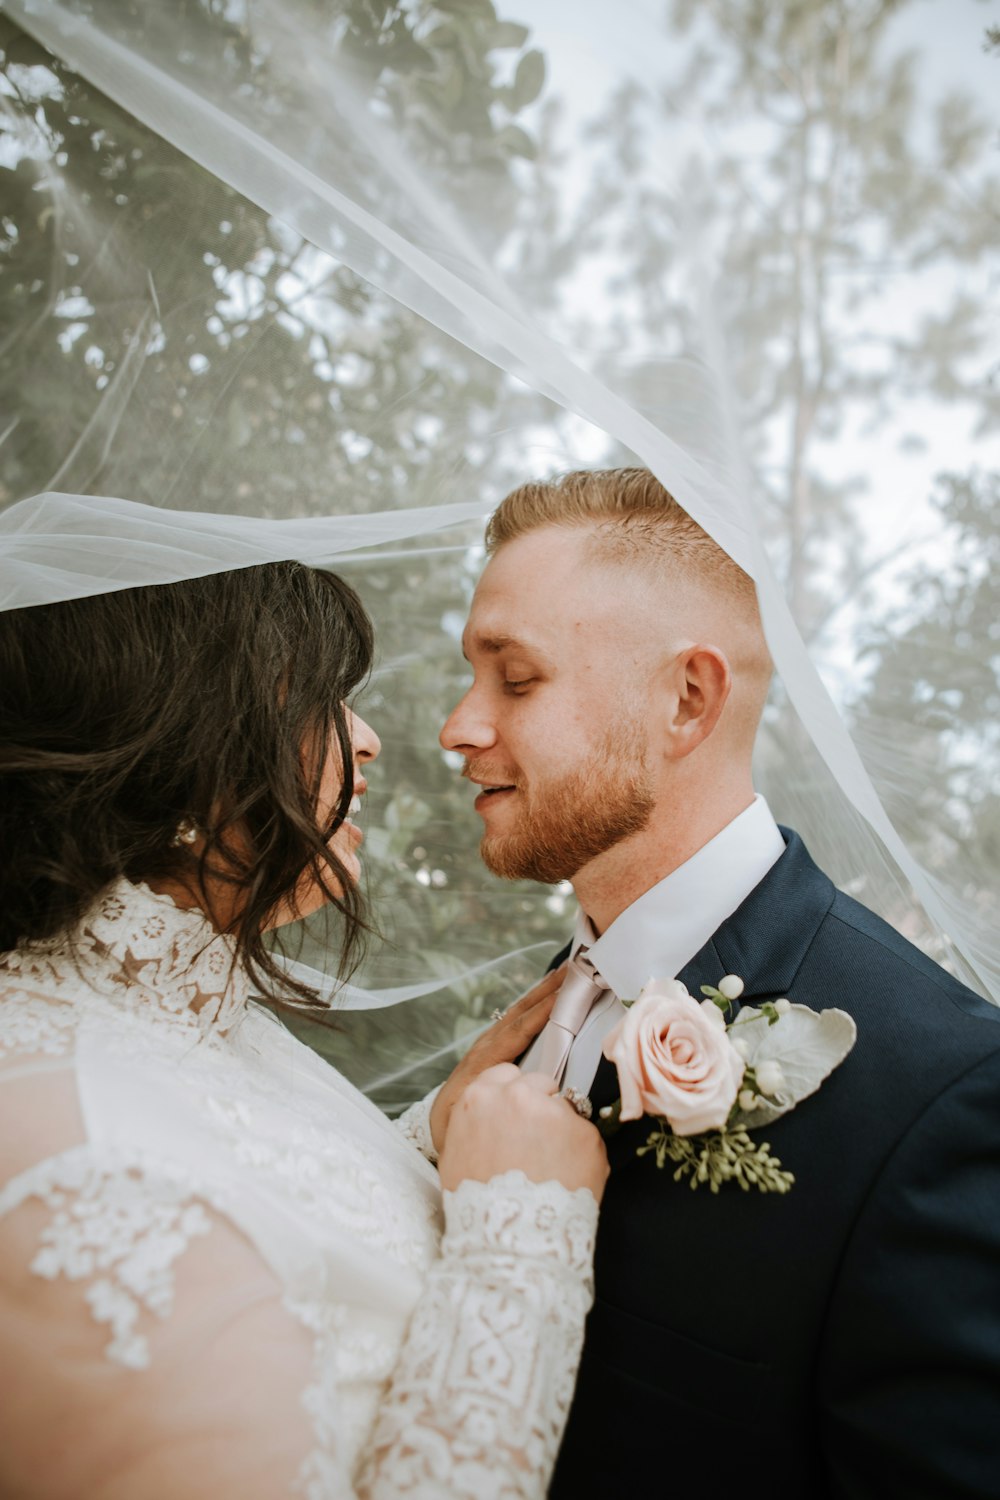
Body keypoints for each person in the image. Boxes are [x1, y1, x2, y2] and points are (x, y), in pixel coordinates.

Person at [438, 467, 1000, 1499]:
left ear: (686, 699)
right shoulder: (544, 1009)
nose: (458, 726)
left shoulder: (940, 1091)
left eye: (514, 680)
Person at [0, 558, 609, 1499]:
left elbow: (284, 1225)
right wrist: (520, 1234)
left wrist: (434, 1135)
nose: (366, 741)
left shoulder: (171, 1006)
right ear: (178, 738)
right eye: (321, 699)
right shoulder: (81, 1168)